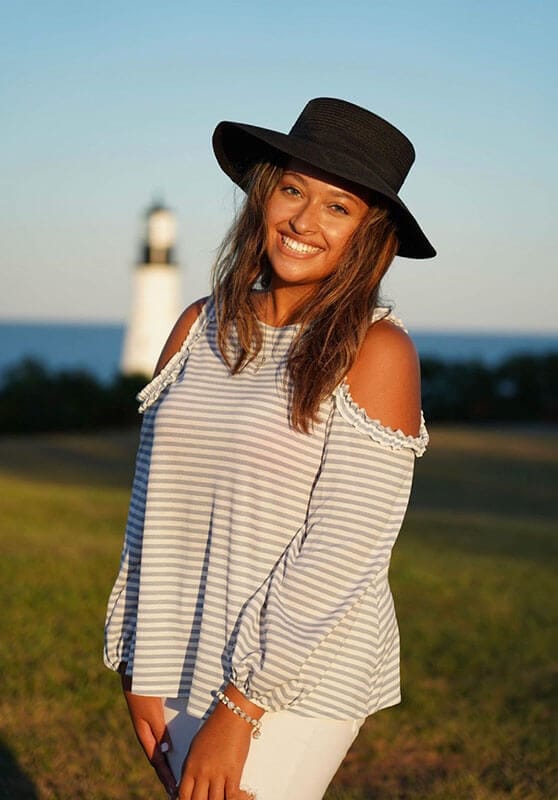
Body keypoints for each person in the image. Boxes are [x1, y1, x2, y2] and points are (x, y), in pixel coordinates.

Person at [104, 97, 436, 800]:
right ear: (264, 196)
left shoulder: (376, 351)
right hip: (183, 647)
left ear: (371, 235)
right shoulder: (198, 325)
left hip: (298, 675)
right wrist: (138, 654)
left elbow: (344, 550)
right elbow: (151, 506)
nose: (303, 221)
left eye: (338, 207)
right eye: (292, 190)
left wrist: (241, 705)